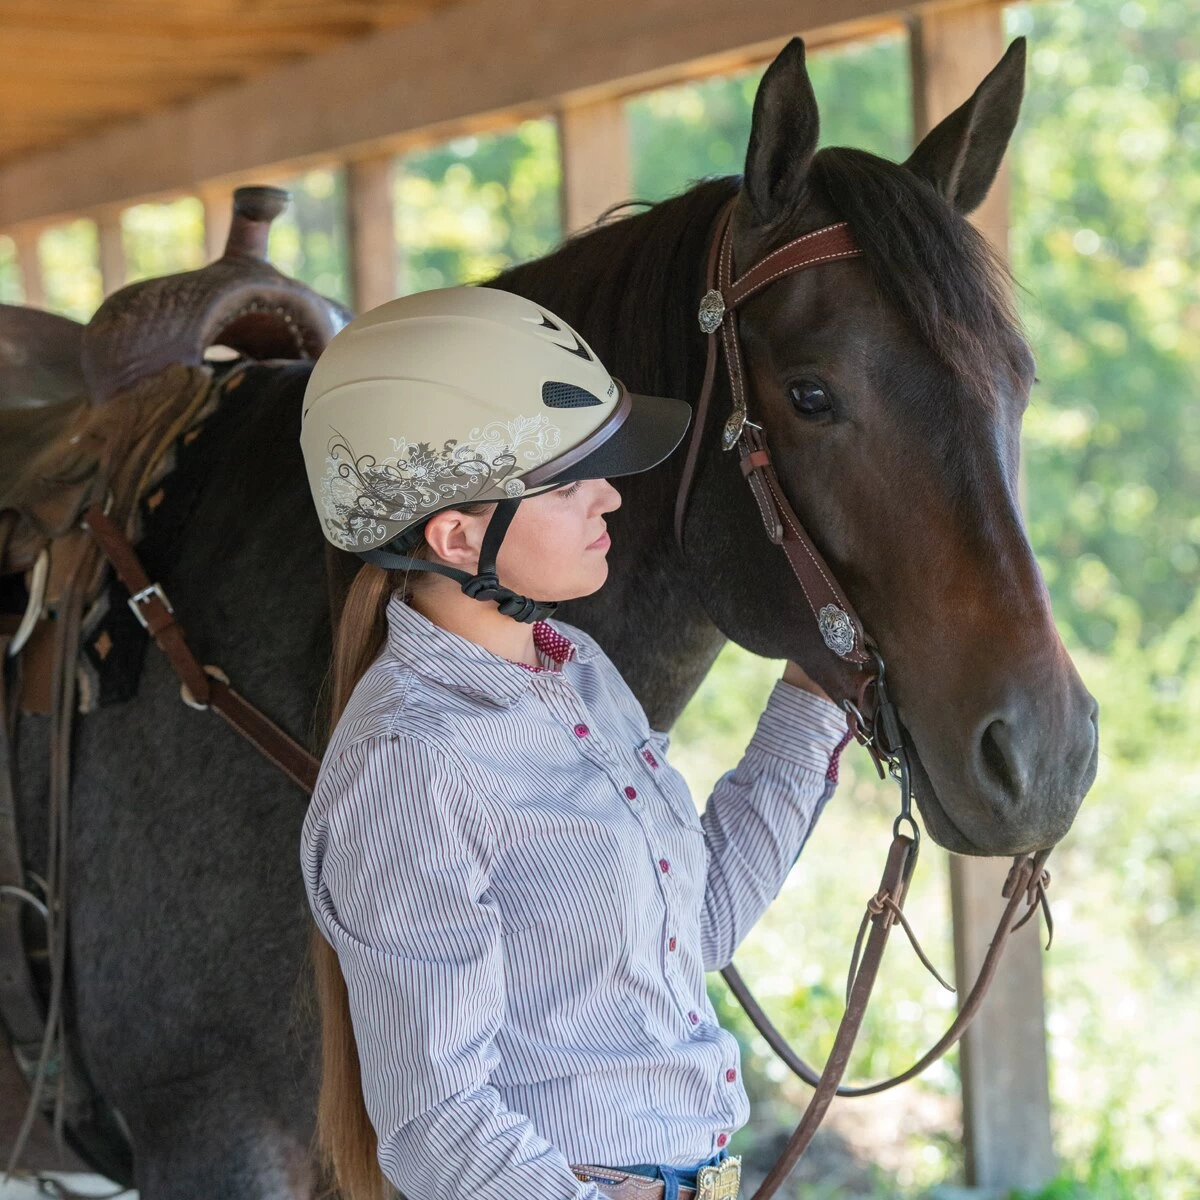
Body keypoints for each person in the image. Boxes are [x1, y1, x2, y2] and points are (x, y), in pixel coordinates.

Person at [298, 285, 852, 1200]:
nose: (609, 497)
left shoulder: (576, 669)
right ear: (456, 534)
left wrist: (813, 692)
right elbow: (435, 1122)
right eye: (565, 481)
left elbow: (696, 924)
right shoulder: (410, 764)